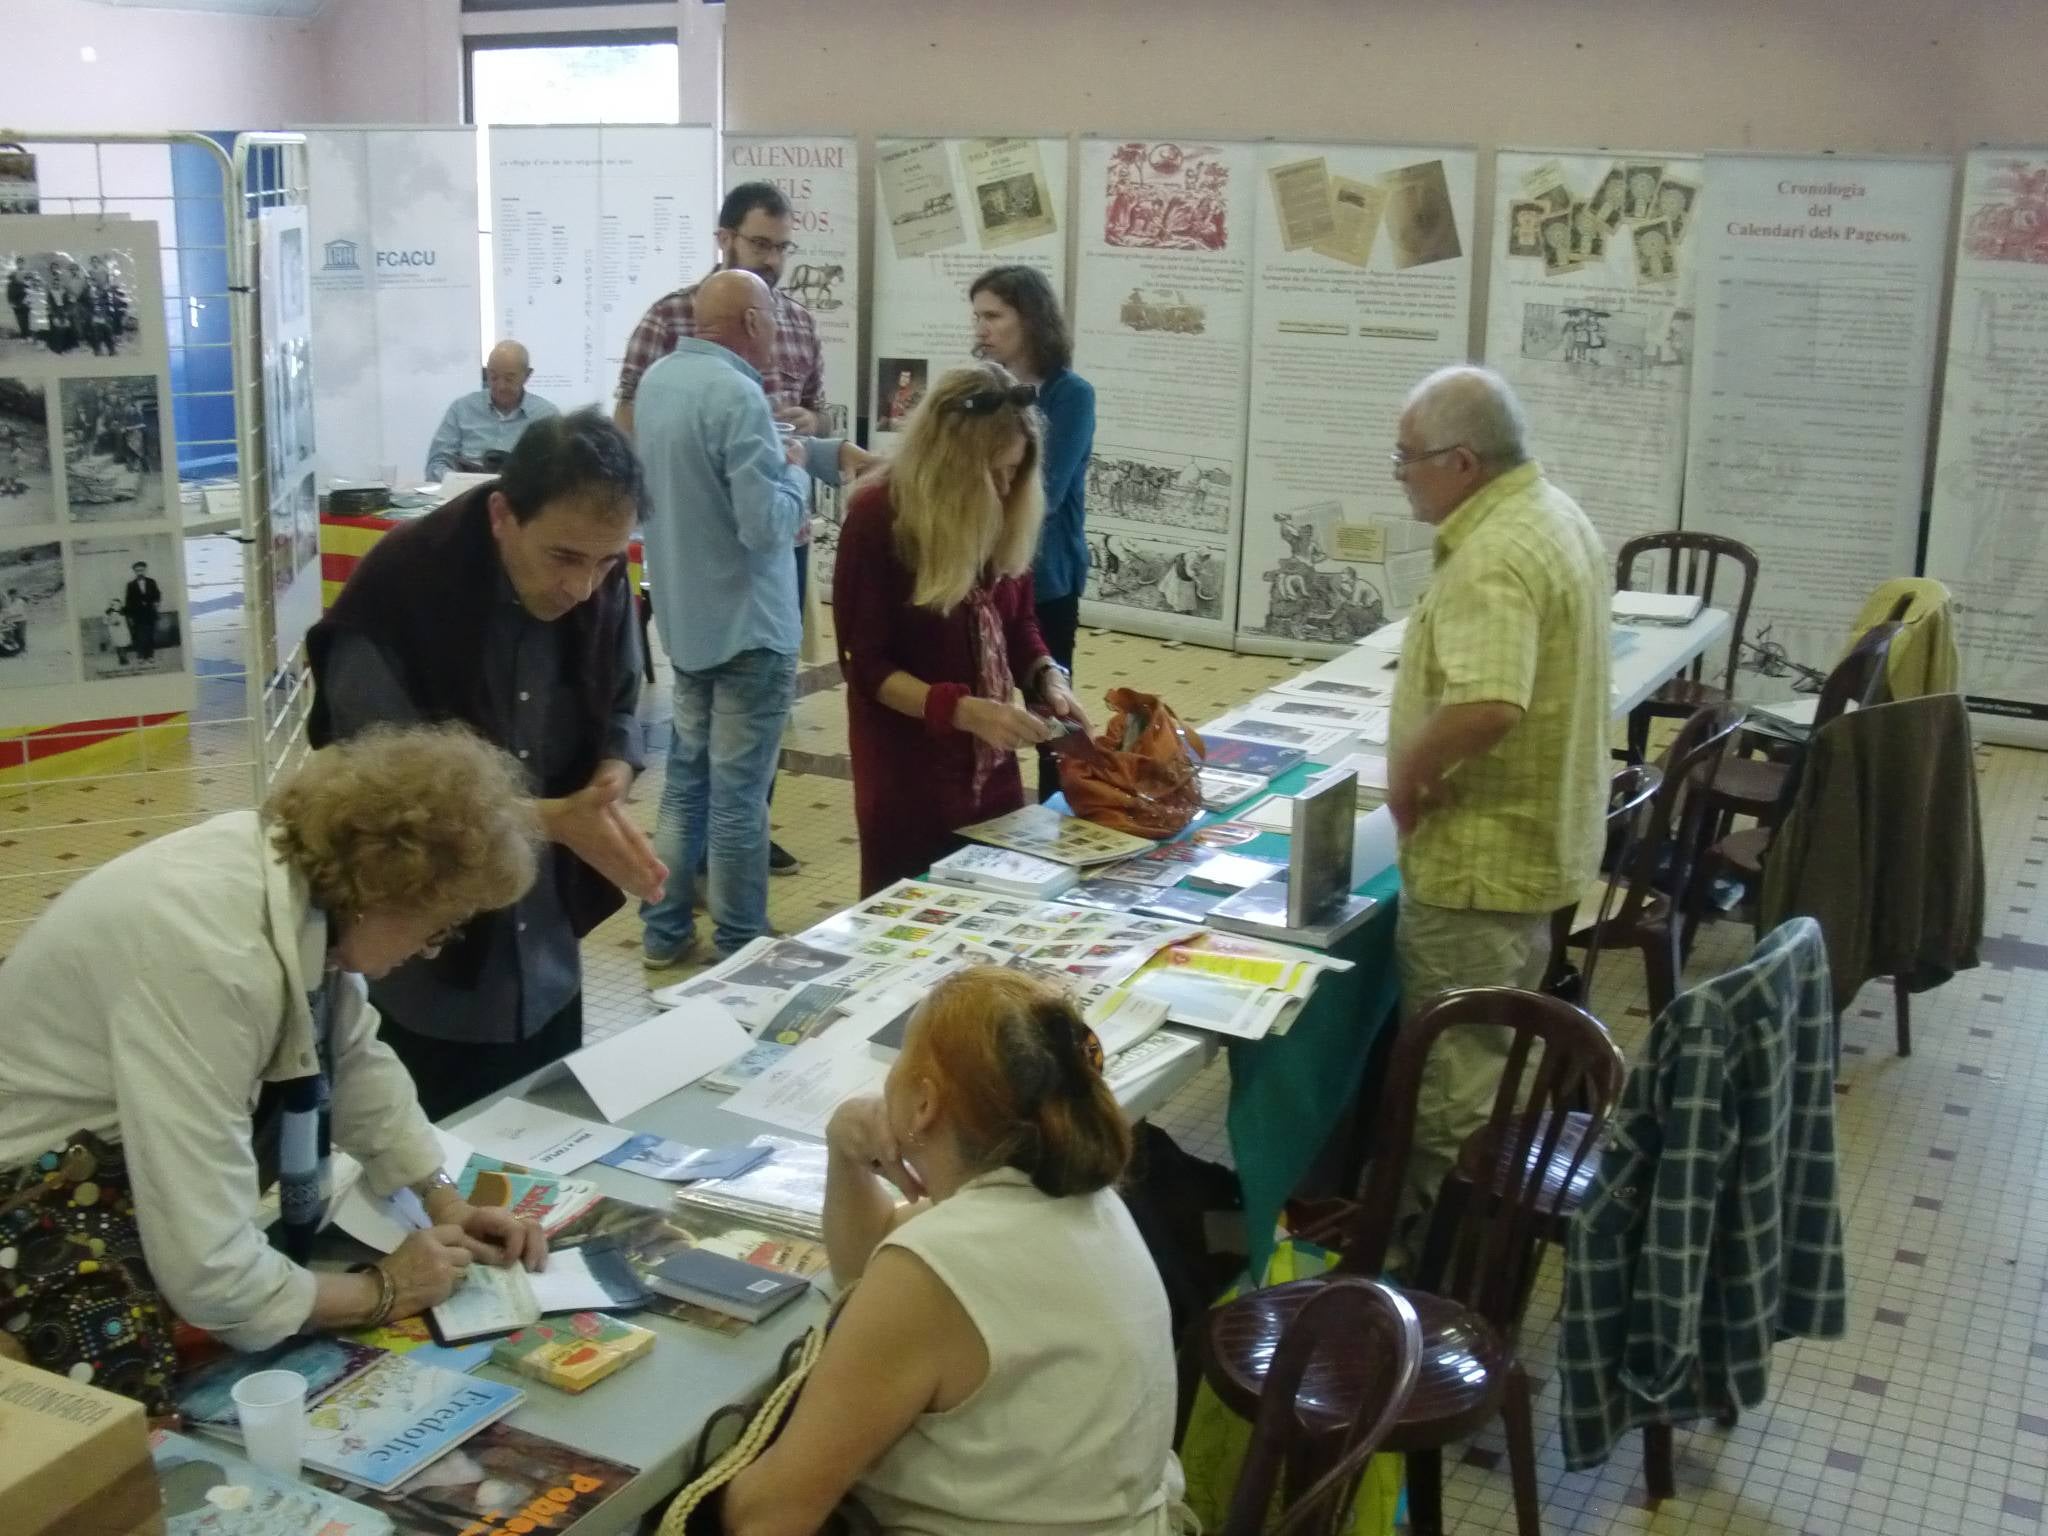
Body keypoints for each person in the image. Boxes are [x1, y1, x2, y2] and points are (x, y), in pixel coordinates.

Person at [0, 726, 552, 1413]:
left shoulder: (296, 885)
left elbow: (351, 1059)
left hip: (110, 1161)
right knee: (122, 1407)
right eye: (439, 925)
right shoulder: (209, 953)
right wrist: (381, 1291)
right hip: (32, 1194)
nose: (433, 948)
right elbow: (209, 1267)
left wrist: (447, 1199)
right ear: (384, 895)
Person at [720, 966, 1184, 1535]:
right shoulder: (1068, 1192)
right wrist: (845, 1156)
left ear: (923, 1105)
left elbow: (768, 1519)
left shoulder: (932, 1267)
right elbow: (862, 1267)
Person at [307, 409, 667, 1119]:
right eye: (564, 558)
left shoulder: (598, 574)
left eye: (606, 561)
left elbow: (626, 701)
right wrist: (553, 823)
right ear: (503, 514)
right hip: (424, 969)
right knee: (427, 1175)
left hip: (550, 957)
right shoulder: (402, 590)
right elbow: (377, 797)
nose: (583, 589)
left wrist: (611, 773)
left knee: (545, 1154)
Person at [1385, 365, 1609, 1239]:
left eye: (1407, 458)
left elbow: (1489, 702)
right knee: (1494, 1051)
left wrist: (1408, 772)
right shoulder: (1552, 515)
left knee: (1453, 1082)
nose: (1398, 472)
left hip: (1479, 864)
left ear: (1463, 462)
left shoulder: (1491, 555)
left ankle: (1440, 1269)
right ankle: (1465, 1233)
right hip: (1540, 843)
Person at [617, 181, 862, 877]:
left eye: (783, 247)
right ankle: (713, 870)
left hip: (774, 538)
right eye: (760, 243)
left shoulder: (796, 321)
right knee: (699, 720)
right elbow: (629, 419)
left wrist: (805, 434)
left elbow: (814, 414)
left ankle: (746, 827)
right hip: (702, 542)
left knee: (759, 708)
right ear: (722, 237)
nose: (774, 260)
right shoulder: (672, 317)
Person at [834, 362, 1088, 897]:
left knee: (996, 905)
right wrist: (964, 710)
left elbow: (1017, 622)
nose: (1004, 487)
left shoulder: (1005, 507)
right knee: (910, 914)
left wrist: (1047, 678)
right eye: (992, 473)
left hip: (988, 767)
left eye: (1016, 472)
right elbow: (869, 669)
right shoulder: (878, 516)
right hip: (908, 775)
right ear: (947, 462)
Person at [971, 264, 1097, 801]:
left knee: (1052, 706)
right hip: (980, 573)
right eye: (977, 316)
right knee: (982, 700)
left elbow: (1045, 488)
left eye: (993, 316)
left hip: (1045, 577)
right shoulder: (982, 390)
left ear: (1030, 318)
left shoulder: (1070, 395)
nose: (981, 328)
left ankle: (1058, 808)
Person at [424, 340, 559, 481]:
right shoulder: (462, 408)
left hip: (522, 497)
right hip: (466, 495)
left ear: (527, 375)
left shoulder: (545, 415)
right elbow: (437, 464)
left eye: (509, 379)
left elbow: (558, 469)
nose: (500, 386)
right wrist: (458, 481)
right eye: (493, 377)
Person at [122, 558, 160, 663]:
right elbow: (128, 600)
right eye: (137, 570)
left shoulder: (152, 582)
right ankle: (141, 656)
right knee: (139, 636)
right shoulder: (130, 585)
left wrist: (156, 602)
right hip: (137, 615)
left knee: (150, 635)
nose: (140, 572)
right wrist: (129, 616)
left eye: (142, 570)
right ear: (134, 571)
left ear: (145, 570)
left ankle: (150, 656)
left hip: (150, 613)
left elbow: (157, 594)